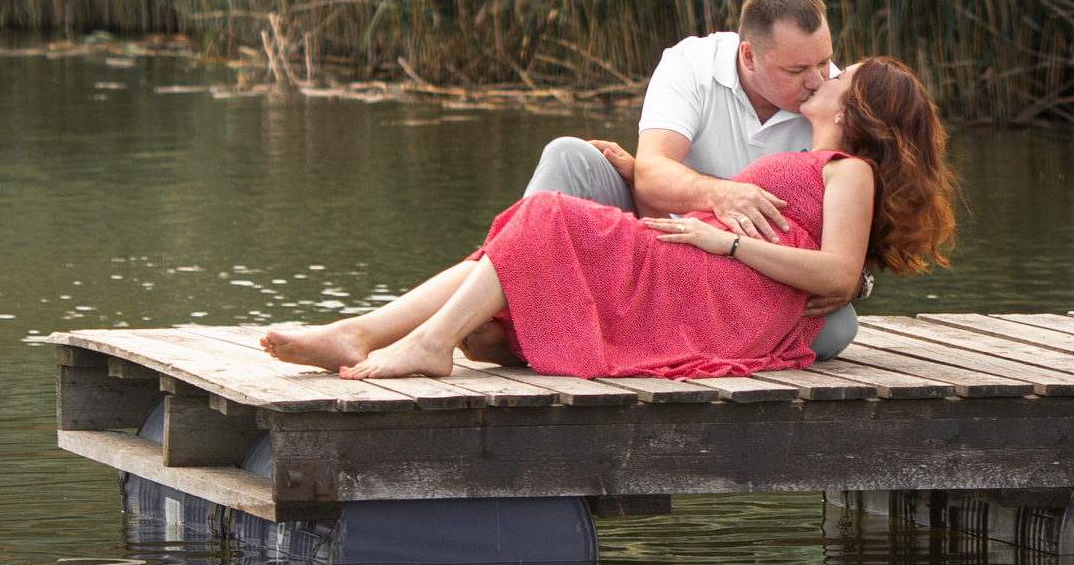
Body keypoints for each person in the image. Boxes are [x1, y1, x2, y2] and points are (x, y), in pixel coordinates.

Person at [260, 56, 956, 380]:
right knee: (529, 231)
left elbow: (835, 268)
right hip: (707, 270)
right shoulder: (808, 155)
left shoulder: (851, 170)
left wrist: (725, 245)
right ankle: (365, 333)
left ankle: (423, 339)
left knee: (545, 219)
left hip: (728, 291)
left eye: (839, 75)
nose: (823, 75)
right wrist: (641, 180)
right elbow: (757, 217)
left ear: (853, 110)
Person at [509, 0, 866, 357]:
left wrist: (858, 280)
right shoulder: (692, 64)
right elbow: (651, 176)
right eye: (796, 70)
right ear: (748, 57)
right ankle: (512, 306)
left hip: (750, 280)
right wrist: (721, 195)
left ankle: (620, 336)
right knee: (568, 156)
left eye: (824, 61)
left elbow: (859, 219)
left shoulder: (836, 100)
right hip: (656, 238)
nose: (817, 79)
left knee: (838, 327)